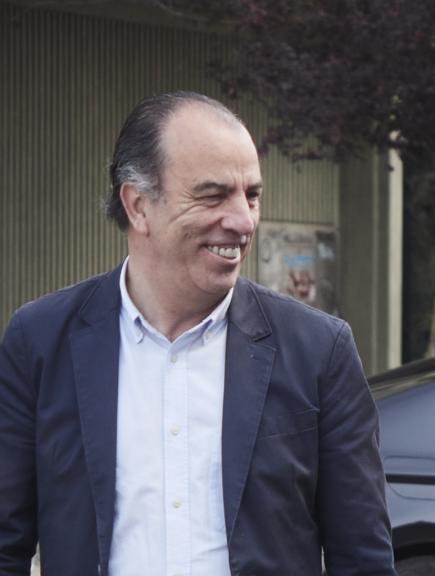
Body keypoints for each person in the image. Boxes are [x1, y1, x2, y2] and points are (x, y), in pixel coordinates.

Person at [0, 91, 396, 576]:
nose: (242, 220)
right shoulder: (39, 341)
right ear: (139, 205)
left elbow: (363, 558)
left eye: (251, 195)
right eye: (213, 194)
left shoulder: (319, 350)